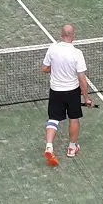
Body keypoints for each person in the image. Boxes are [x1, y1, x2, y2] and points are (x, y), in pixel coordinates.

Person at [40, 24, 92, 166]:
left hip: (56, 90)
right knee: (74, 119)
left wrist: (55, 68)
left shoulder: (52, 49)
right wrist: (86, 98)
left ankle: (49, 146)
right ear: (72, 35)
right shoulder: (77, 53)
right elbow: (82, 79)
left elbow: (44, 68)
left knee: (53, 119)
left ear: (61, 34)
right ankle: (71, 147)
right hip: (72, 92)